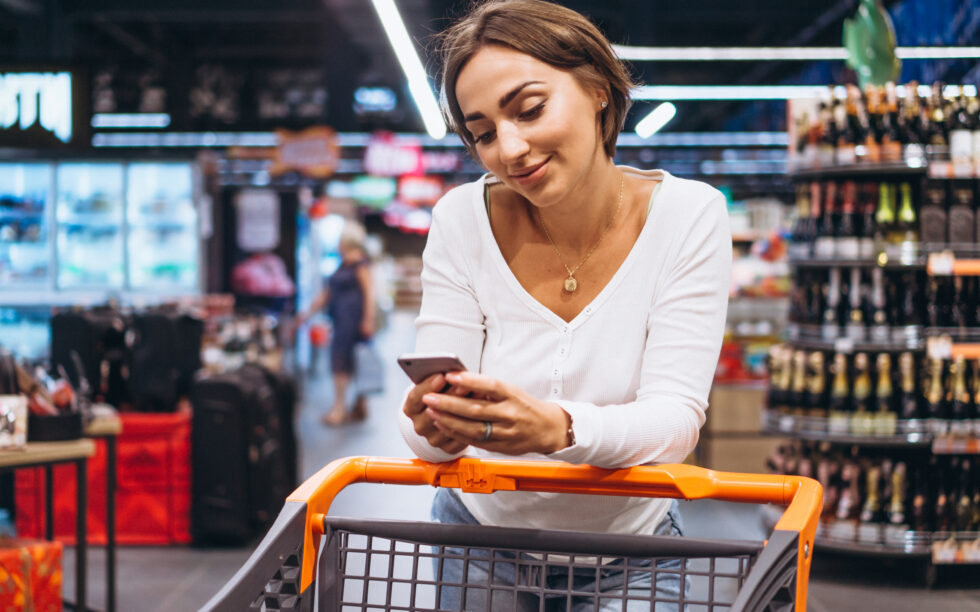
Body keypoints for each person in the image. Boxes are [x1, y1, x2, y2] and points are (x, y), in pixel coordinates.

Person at [397, 0, 732, 609]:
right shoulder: (461, 220)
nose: (511, 149)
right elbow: (424, 422)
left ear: (598, 89)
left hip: (631, 552)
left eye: (529, 109)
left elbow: (675, 419)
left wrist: (557, 428)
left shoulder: (690, 215)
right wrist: (431, 425)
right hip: (480, 537)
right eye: (483, 133)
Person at [298, 221, 375, 425]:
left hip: (353, 322)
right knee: (345, 362)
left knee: (351, 363)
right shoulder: (344, 265)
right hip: (342, 320)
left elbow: (369, 294)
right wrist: (307, 313)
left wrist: (368, 320)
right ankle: (352, 406)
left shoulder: (360, 265)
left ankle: (343, 409)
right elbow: (327, 294)